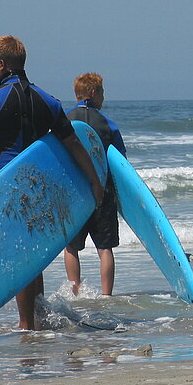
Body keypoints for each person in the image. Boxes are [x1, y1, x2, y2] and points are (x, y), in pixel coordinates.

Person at [0, 36, 104, 330]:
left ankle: (27, 325)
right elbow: (74, 145)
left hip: (8, 190)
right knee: (31, 254)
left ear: (2, 65)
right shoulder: (49, 101)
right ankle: (37, 319)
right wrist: (95, 182)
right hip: (40, 189)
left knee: (18, 256)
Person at [63, 73, 126, 296]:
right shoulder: (108, 124)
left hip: (74, 194)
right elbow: (120, 162)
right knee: (104, 248)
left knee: (71, 247)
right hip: (103, 194)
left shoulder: (64, 120)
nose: (103, 97)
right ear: (93, 93)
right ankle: (107, 295)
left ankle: (75, 293)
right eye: (101, 92)